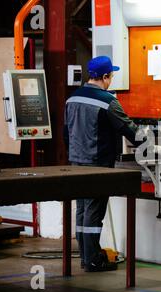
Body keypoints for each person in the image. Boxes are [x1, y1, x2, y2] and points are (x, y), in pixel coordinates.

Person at [64, 56, 141, 272]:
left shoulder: (72, 98)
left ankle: (85, 256)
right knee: (94, 213)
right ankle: (92, 260)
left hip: (75, 162)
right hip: (97, 165)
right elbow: (129, 130)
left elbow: (66, 132)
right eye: (111, 76)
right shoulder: (108, 101)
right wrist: (152, 143)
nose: (111, 80)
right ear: (105, 77)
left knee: (81, 209)